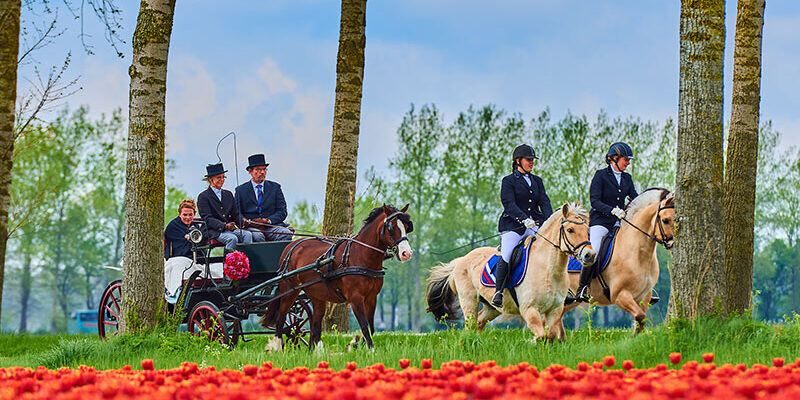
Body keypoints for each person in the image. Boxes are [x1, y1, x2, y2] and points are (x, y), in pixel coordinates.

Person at [575, 142, 639, 301]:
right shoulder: (601, 175)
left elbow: (635, 198)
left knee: (635, 246)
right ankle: (582, 287)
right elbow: (594, 201)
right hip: (600, 221)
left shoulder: (627, 178)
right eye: (626, 159)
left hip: (618, 222)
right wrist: (612, 210)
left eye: (629, 160)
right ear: (614, 159)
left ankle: (641, 285)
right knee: (594, 251)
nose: (628, 162)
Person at [493, 144, 553, 307]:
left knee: (552, 247)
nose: (532, 163)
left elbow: (544, 202)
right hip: (514, 225)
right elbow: (508, 203)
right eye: (528, 160)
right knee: (507, 253)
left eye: (533, 160)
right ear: (518, 161)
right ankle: (498, 292)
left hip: (535, 224)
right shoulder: (508, 181)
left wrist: (549, 220)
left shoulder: (537, 181)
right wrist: (524, 219)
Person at [234, 154, 293, 241]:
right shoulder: (241, 190)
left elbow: (282, 211)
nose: (262, 172)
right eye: (258, 169)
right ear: (250, 171)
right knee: (258, 236)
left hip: (271, 226)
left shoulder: (275, 187)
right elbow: (237, 212)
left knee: (286, 234)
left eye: (264, 169)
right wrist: (246, 221)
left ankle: (279, 255)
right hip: (251, 228)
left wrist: (267, 221)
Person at [197, 162, 253, 251]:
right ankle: (229, 263)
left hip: (228, 229)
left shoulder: (228, 194)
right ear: (210, 179)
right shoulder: (203, 196)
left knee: (248, 234)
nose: (222, 179)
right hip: (212, 230)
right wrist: (224, 225)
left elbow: (235, 213)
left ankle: (246, 260)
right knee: (232, 238)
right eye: (219, 177)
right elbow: (207, 218)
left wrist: (242, 220)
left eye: (223, 177)